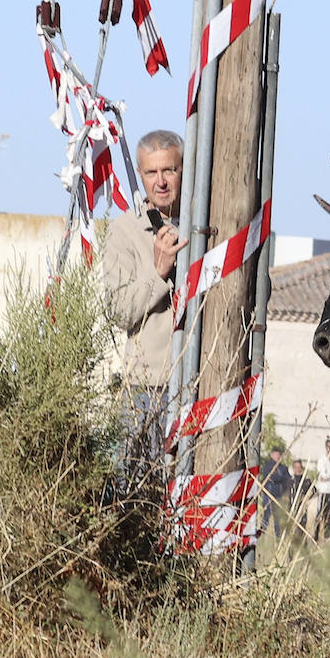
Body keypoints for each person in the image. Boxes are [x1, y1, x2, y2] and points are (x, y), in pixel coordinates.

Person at [101, 129, 190, 477]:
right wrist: (158, 271)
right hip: (148, 389)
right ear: (140, 175)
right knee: (136, 496)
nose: (161, 182)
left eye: (169, 170)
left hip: (200, 383)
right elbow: (120, 310)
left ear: (184, 169)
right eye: (152, 173)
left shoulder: (206, 222)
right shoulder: (124, 231)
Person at [260, 446, 292, 539]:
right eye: (276, 454)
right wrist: (281, 478)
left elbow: (288, 480)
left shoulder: (283, 468)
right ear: (271, 455)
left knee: (277, 519)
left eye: (279, 455)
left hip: (279, 496)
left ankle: (278, 538)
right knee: (266, 517)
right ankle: (261, 536)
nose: (278, 456)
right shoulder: (268, 466)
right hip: (269, 495)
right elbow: (272, 478)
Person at [290, 458, 314, 532]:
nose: (297, 469)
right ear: (293, 468)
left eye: (299, 467)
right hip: (291, 509)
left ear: (301, 468)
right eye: (295, 467)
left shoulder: (306, 481)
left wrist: (306, 498)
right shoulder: (290, 481)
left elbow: (313, 491)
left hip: (302, 509)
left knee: (301, 528)